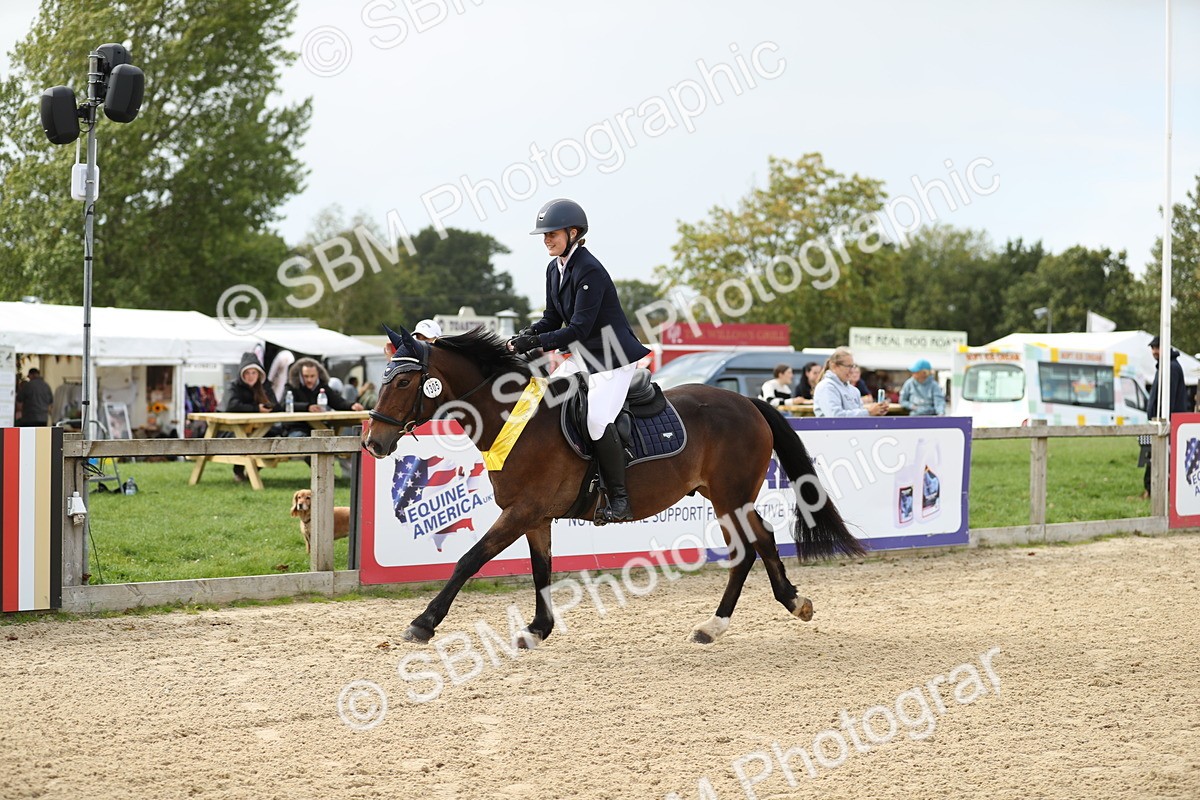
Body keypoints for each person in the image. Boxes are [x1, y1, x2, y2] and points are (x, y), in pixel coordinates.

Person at [506, 198, 650, 524]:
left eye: (552, 234)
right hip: (584, 356)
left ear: (573, 232)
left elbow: (578, 328)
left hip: (612, 357)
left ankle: (620, 499)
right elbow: (552, 317)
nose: (546, 240)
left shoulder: (590, 270)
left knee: (597, 421)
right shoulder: (554, 268)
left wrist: (539, 342)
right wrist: (527, 334)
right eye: (543, 235)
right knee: (543, 403)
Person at [281, 357, 365, 479]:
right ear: (300, 375)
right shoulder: (291, 386)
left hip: (320, 428)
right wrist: (307, 407)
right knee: (310, 443)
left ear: (318, 375)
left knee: (327, 440)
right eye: (306, 376)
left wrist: (352, 405)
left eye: (312, 376)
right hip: (295, 429)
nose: (309, 379)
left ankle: (328, 475)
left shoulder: (323, 387)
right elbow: (283, 405)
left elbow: (338, 402)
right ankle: (326, 476)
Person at [1142, 336, 1191, 498]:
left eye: (1157, 347)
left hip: (1164, 423)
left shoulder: (1170, 367)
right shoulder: (1166, 366)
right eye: (1153, 348)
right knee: (1150, 452)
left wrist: (1162, 420)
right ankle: (1152, 489)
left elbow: (1167, 399)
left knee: (1154, 454)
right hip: (1159, 421)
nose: (1154, 351)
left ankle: (1152, 490)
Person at [223, 352, 277, 482]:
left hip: (260, 427)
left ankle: (252, 470)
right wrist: (256, 408)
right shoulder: (234, 386)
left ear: (259, 374)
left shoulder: (264, 386)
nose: (250, 376)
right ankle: (239, 470)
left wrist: (269, 406)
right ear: (242, 374)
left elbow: (276, 404)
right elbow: (231, 405)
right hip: (232, 429)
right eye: (247, 373)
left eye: (254, 372)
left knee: (272, 439)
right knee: (245, 439)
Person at [813, 348, 888, 417]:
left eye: (853, 366)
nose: (852, 371)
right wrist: (868, 412)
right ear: (834, 366)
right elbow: (835, 417)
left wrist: (877, 412)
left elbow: (861, 419)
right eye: (848, 366)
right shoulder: (826, 387)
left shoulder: (854, 390)